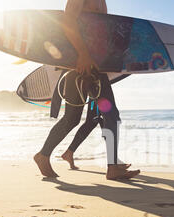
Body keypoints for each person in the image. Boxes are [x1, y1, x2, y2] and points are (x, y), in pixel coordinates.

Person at [34, 0, 140, 180]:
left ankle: (43, 155)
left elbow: (102, 31)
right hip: (81, 63)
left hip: (95, 65)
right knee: (106, 114)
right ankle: (112, 167)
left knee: (75, 118)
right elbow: (67, 21)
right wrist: (83, 54)